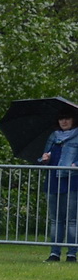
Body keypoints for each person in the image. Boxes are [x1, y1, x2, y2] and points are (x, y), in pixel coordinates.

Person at [39, 110, 78, 262]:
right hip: (53, 181)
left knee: (72, 220)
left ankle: (71, 254)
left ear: (73, 119)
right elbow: (45, 156)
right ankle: (54, 253)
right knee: (56, 219)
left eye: (67, 118)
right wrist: (44, 158)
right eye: (61, 118)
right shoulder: (53, 136)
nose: (64, 121)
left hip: (72, 181)